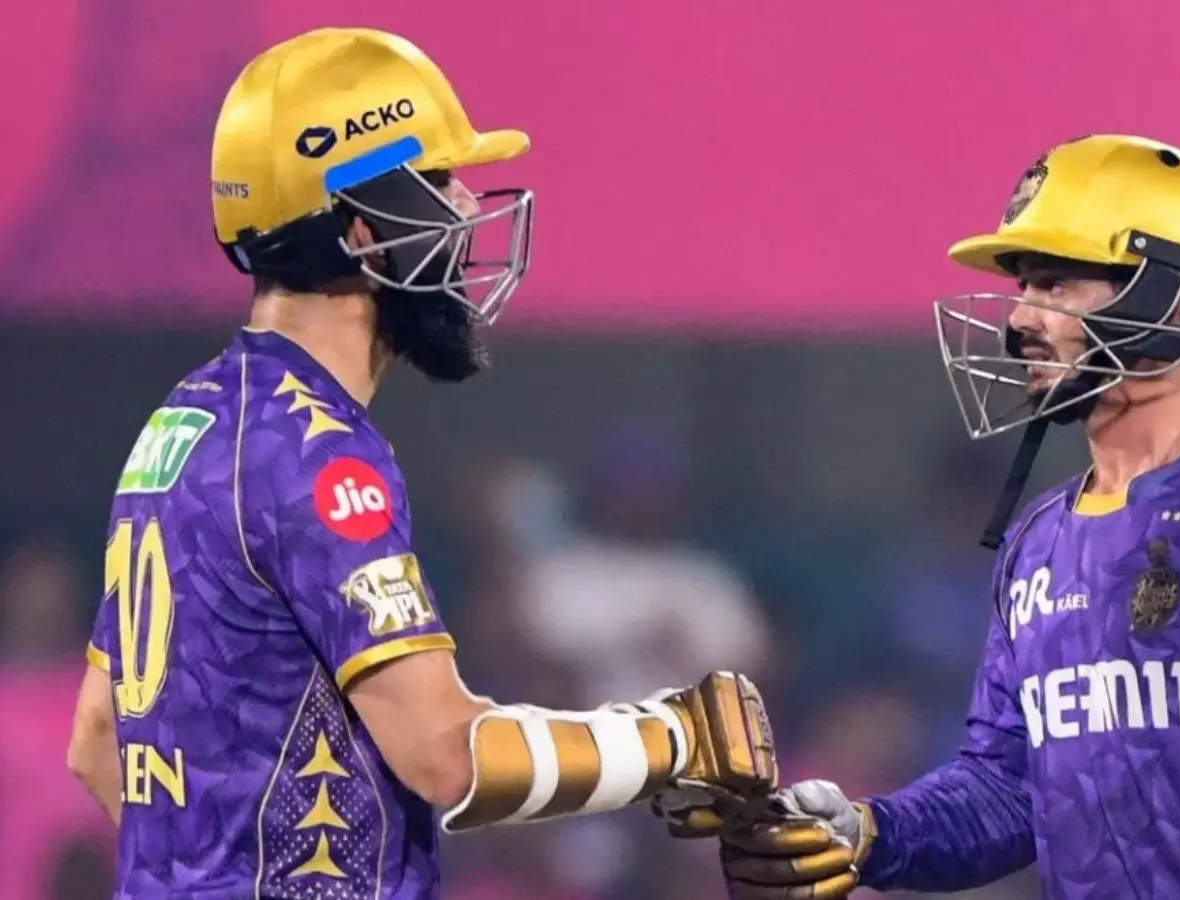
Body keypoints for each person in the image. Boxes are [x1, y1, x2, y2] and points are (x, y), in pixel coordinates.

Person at [65, 27, 776, 899]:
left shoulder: (184, 421)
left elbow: (98, 741)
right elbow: (445, 754)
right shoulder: (323, 457)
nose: (469, 208)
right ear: (364, 230)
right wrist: (670, 742)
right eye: (439, 182)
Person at [666, 134, 1180, 899]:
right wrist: (868, 832)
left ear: (1170, 298)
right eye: (1023, 287)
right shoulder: (1039, 540)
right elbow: (1009, 789)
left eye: (1055, 285)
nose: (1019, 319)